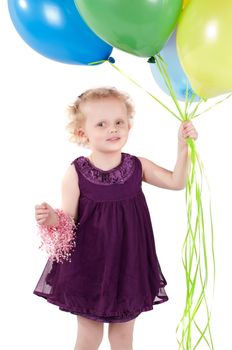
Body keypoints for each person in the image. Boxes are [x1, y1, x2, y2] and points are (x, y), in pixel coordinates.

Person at [33, 87, 198, 350]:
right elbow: (68, 223)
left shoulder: (137, 166)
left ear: (129, 125)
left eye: (119, 122)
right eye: (102, 124)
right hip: (88, 268)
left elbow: (177, 182)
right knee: (89, 338)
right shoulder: (76, 173)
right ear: (82, 133)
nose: (113, 129)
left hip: (128, 267)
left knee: (122, 338)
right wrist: (52, 218)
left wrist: (182, 147)